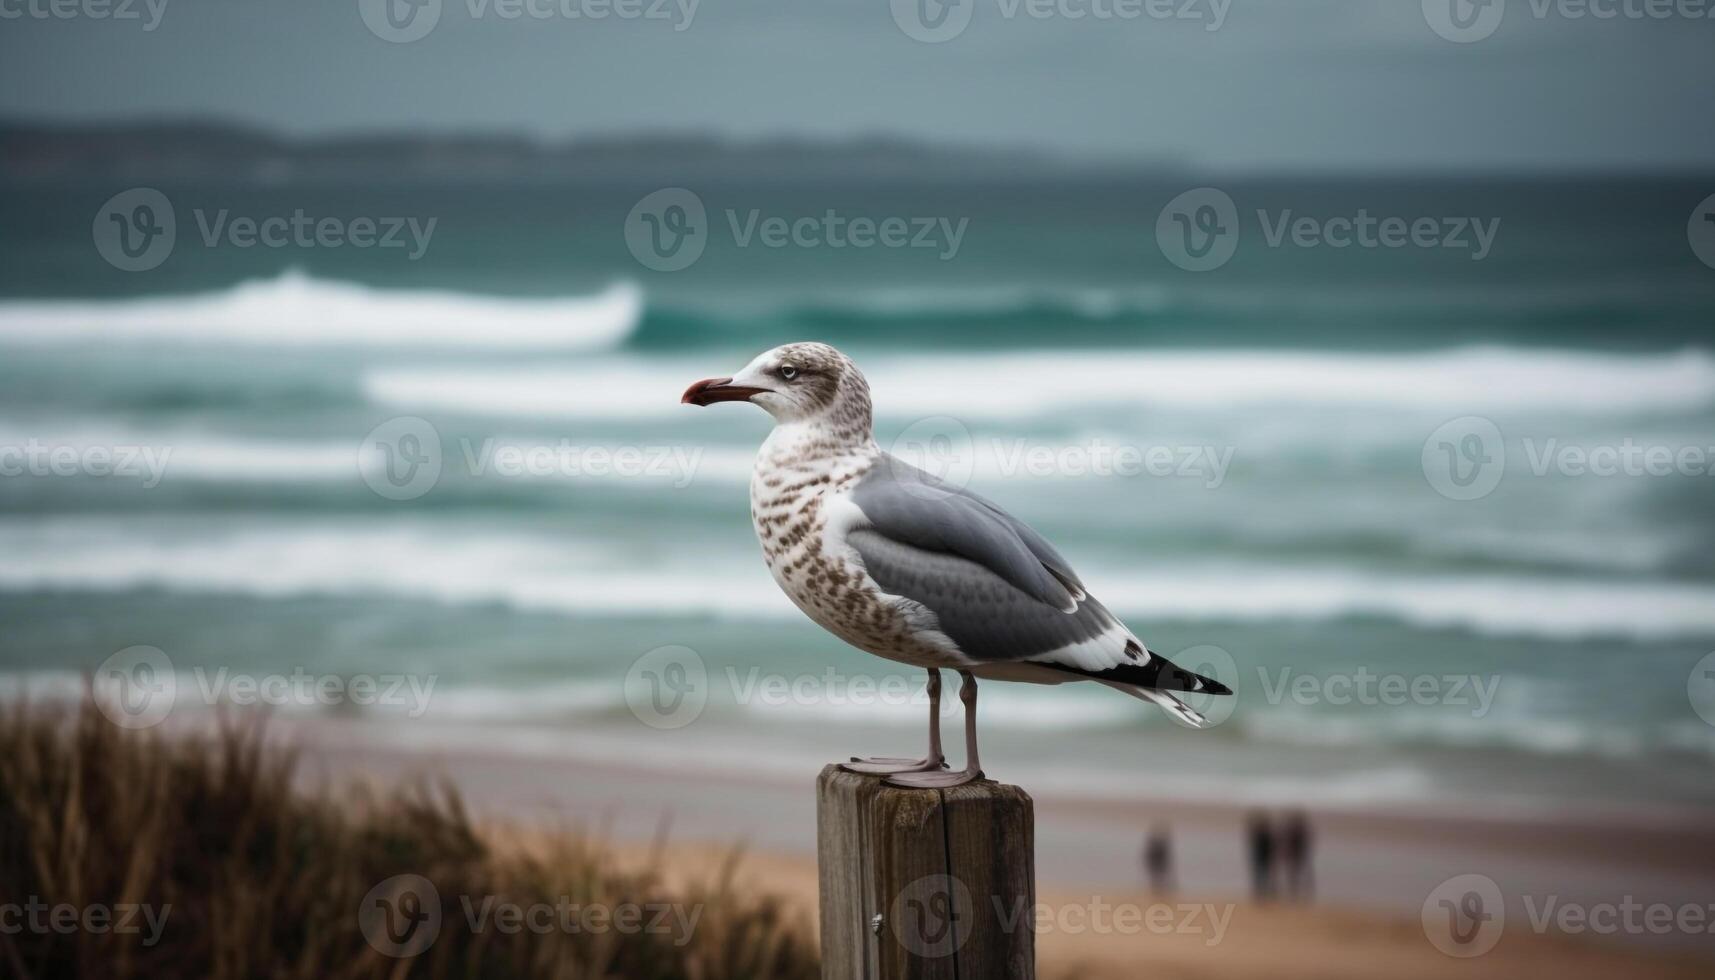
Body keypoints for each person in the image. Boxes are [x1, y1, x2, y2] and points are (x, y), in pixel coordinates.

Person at [1280, 810, 1314, 900]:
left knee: (1300, 875)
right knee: (1295, 875)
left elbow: (1305, 844)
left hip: (1299, 856)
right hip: (1296, 856)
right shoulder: (1297, 832)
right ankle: (1295, 892)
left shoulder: (1300, 832)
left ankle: (1302, 892)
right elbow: (1287, 844)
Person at [1246, 810, 1275, 900]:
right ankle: (1259, 893)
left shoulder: (1267, 835)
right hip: (1259, 858)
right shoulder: (1258, 834)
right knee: (1259, 877)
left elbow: (1271, 847)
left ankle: (1264, 893)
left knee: (1265, 877)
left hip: (1265, 858)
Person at [1142, 824, 1173, 893]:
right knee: (1157, 877)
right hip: (1156, 864)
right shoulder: (1157, 846)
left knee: (1158, 877)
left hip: (1157, 864)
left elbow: (1149, 856)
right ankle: (1157, 889)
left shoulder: (1157, 845)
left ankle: (1159, 889)